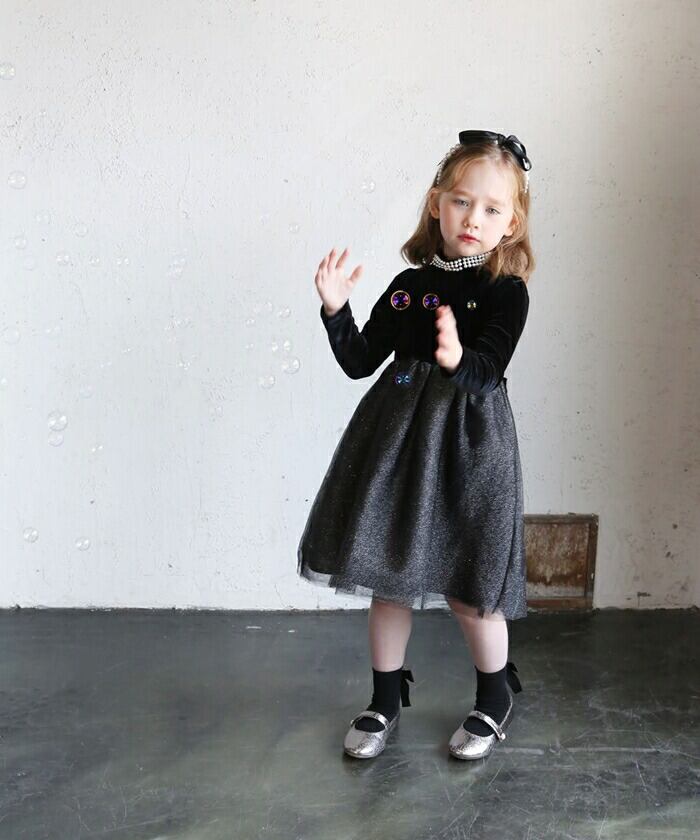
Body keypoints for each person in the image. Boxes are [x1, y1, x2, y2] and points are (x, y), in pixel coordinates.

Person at [297, 131, 535, 760]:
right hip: (400, 448)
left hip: (470, 451)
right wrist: (336, 312)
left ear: (511, 224)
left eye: (492, 209)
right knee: (389, 576)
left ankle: (494, 697)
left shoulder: (506, 291)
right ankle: (384, 697)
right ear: (437, 204)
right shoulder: (408, 287)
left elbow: (487, 369)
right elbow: (361, 360)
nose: (473, 219)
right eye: (461, 202)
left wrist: (457, 358)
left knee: (471, 587)